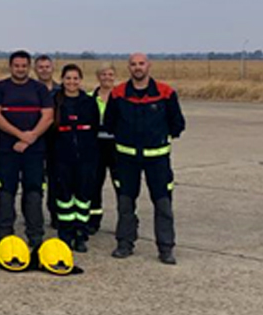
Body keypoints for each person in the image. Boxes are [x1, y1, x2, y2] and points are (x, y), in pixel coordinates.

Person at [106, 53, 185, 265]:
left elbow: (177, 124)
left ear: (148, 66)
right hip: (126, 160)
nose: (137, 67)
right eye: (133, 64)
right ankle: (125, 243)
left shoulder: (165, 93)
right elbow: (109, 122)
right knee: (125, 204)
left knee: (163, 205)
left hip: (157, 161)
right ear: (128, 67)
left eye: (141, 64)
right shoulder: (118, 93)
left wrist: (159, 139)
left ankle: (166, 248)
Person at [0, 50, 53, 247]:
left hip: (34, 150)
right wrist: (20, 135)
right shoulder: (0, 88)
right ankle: (5, 235)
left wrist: (30, 137)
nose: (20, 69)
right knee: (6, 192)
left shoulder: (39, 89)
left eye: (24, 66)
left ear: (29, 67)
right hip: (8, 151)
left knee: (33, 193)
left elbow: (48, 116)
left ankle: (35, 236)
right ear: (10, 66)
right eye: (17, 66)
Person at [50, 64, 100, 253]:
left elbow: (94, 128)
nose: (72, 82)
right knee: (64, 198)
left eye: (75, 78)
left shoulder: (89, 102)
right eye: (68, 78)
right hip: (62, 158)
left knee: (83, 198)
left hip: (86, 158)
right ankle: (65, 234)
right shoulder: (55, 101)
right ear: (62, 80)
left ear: (80, 80)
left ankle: (81, 234)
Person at [90, 62, 117, 235]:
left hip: (116, 146)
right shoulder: (89, 98)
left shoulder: (122, 97)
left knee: (122, 185)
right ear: (98, 77)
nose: (107, 78)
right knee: (94, 184)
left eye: (110, 74)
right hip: (96, 146)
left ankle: (128, 221)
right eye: (103, 74)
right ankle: (93, 220)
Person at [35, 54, 60, 228]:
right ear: (35, 70)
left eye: (47, 67)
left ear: (52, 68)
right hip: (35, 140)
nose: (44, 70)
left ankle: (55, 215)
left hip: (57, 142)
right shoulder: (30, 89)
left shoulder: (61, 90)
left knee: (56, 180)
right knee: (35, 181)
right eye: (41, 67)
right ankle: (35, 217)